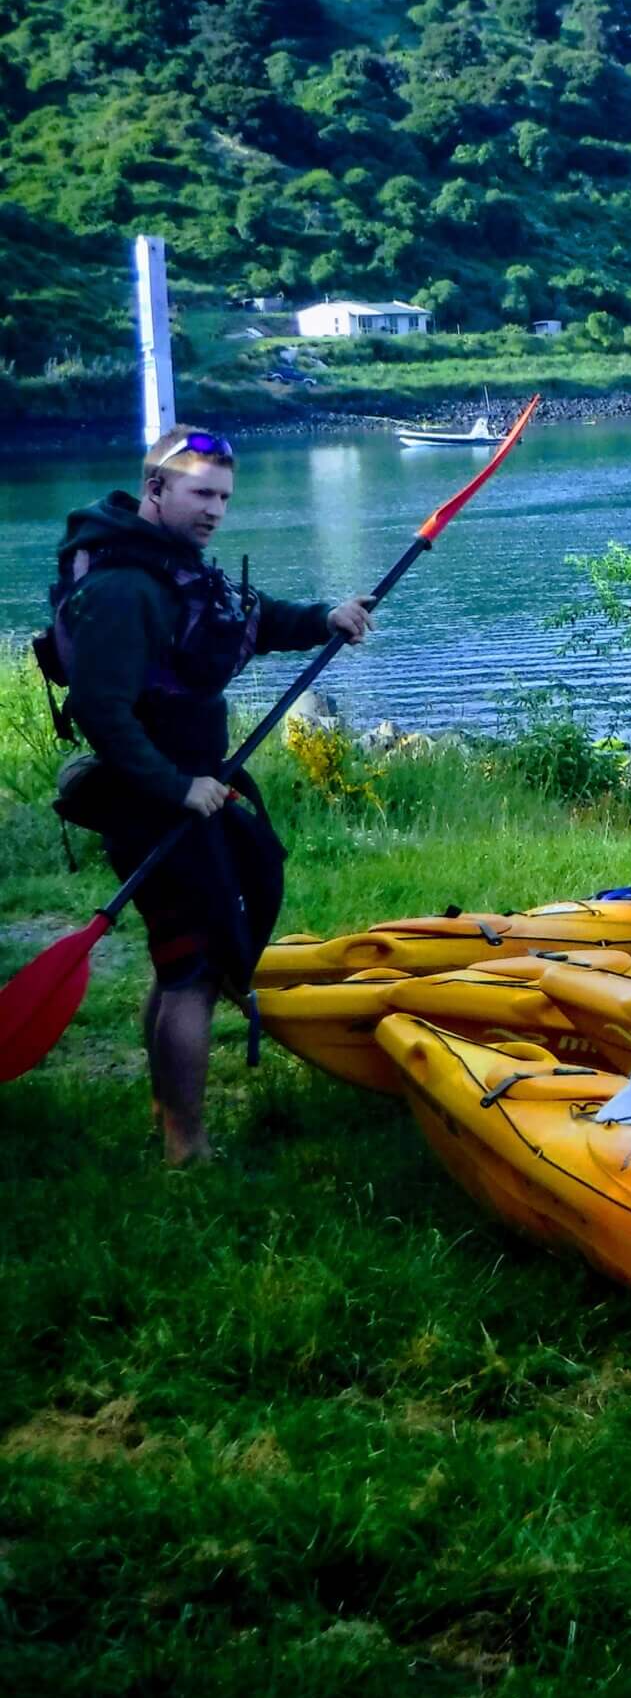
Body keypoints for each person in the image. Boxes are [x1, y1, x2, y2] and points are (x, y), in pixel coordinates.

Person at [39, 426, 376, 1164]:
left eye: (224, 495)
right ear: (155, 488)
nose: (216, 508)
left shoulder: (172, 568)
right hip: (153, 797)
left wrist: (325, 616)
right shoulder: (124, 587)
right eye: (201, 493)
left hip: (195, 789)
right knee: (192, 967)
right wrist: (175, 786)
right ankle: (186, 1150)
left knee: (182, 960)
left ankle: (172, 1121)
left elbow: (243, 623)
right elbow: (102, 709)